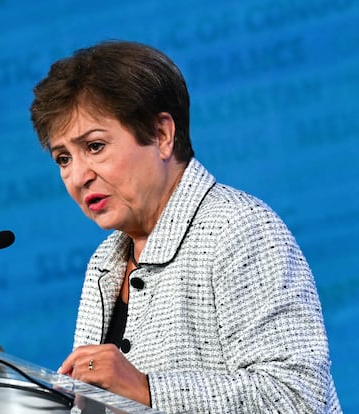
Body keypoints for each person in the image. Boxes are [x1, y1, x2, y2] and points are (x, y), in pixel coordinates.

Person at [30, 40, 341, 413]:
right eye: (63, 158)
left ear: (162, 135)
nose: (78, 176)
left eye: (94, 146)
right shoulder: (105, 262)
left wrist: (148, 389)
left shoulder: (239, 228)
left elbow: (298, 398)